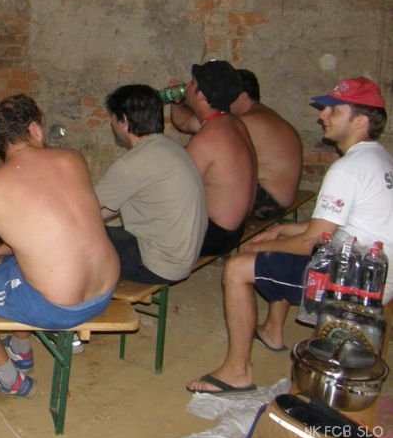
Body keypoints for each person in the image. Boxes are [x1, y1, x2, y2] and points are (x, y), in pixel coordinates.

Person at [187, 76, 393, 394]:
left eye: (334, 111)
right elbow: (341, 225)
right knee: (279, 247)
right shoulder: (377, 157)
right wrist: (284, 230)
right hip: (374, 268)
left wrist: (262, 246)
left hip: (356, 282)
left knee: (239, 266)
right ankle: (272, 330)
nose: (322, 116)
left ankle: (237, 371)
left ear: (361, 120)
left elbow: (313, 241)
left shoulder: (347, 169)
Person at [0, 94, 119, 396]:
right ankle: (21, 349)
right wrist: (2, 249)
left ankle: (9, 378)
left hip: (60, 308)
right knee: (9, 263)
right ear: (34, 129)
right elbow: (61, 231)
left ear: (1, 141)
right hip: (105, 290)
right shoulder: (73, 159)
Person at [96, 85, 208, 284]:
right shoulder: (171, 147)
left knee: (75, 240)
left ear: (123, 121)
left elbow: (83, 208)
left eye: (112, 117)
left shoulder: (132, 164)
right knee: (91, 231)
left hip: (156, 265)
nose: (111, 122)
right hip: (180, 258)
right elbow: (106, 207)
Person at [169, 60, 257, 257]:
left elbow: (175, 193)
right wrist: (177, 102)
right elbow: (184, 122)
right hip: (235, 229)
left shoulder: (206, 139)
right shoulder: (231, 122)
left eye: (192, 83)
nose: (187, 86)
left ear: (201, 96)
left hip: (214, 236)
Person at [230, 69, 304, 220]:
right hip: (279, 197)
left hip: (269, 202)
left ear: (243, 97)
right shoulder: (264, 114)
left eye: (228, 94)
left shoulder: (246, 121)